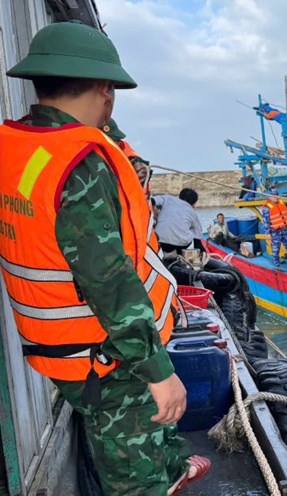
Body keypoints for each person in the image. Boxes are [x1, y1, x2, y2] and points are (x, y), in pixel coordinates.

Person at [0, 22, 209, 495]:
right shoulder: (83, 166)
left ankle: (172, 467)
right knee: (134, 477)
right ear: (105, 89)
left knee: (139, 435)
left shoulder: (18, 147)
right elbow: (109, 280)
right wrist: (159, 372)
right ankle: (160, 480)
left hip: (56, 345)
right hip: (107, 354)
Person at [102, 117, 151, 189]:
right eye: (109, 141)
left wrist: (136, 162)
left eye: (116, 140)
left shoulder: (121, 147)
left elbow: (128, 153)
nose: (115, 143)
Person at [153, 188, 205, 254]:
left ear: (180, 196)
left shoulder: (168, 198)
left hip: (159, 241)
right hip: (179, 246)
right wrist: (202, 251)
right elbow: (197, 239)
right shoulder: (193, 213)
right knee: (193, 233)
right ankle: (178, 255)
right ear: (194, 203)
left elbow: (152, 200)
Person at [262, 189, 287, 269]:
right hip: (275, 231)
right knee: (276, 248)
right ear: (270, 197)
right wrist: (267, 233)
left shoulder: (282, 203)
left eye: (276, 195)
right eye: (273, 196)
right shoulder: (267, 208)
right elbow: (265, 221)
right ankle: (276, 263)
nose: (275, 197)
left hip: (285, 229)